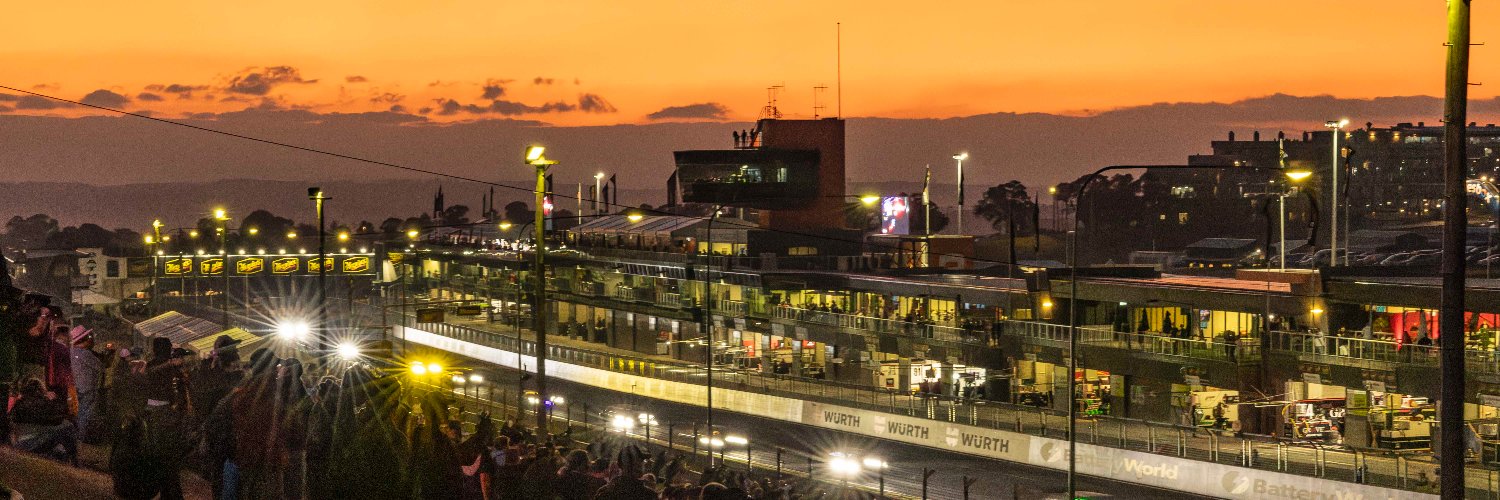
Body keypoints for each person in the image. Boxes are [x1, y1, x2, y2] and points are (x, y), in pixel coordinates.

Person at [10, 377, 78, 464]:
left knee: (58, 450)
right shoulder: (40, 402)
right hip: (30, 444)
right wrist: (53, 401)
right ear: (39, 389)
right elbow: (58, 420)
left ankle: (56, 457)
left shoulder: (19, 403)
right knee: (68, 426)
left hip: (19, 444)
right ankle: (75, 462)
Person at [68, 325, 103, 443]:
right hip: (86, 390)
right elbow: (101, 367)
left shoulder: (70, 352)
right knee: (84, 415)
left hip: (74, 388)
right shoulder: (85, 354)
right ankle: (80, 439)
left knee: (76, 414)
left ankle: (74, 437)